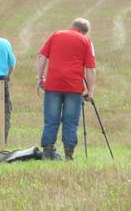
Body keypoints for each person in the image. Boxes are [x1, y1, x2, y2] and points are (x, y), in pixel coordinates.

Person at [36, 17, 96, 160]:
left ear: (73, 26)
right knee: (70, 121)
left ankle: (47, 152)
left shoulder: (56, 35)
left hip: (53, 85)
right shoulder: (86, 41)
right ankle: (69, 154)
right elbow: (90, 68)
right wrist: (91, 91)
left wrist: (40, 78)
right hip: (74, 87)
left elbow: (42, 56)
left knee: (51, 119)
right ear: (83, 32)